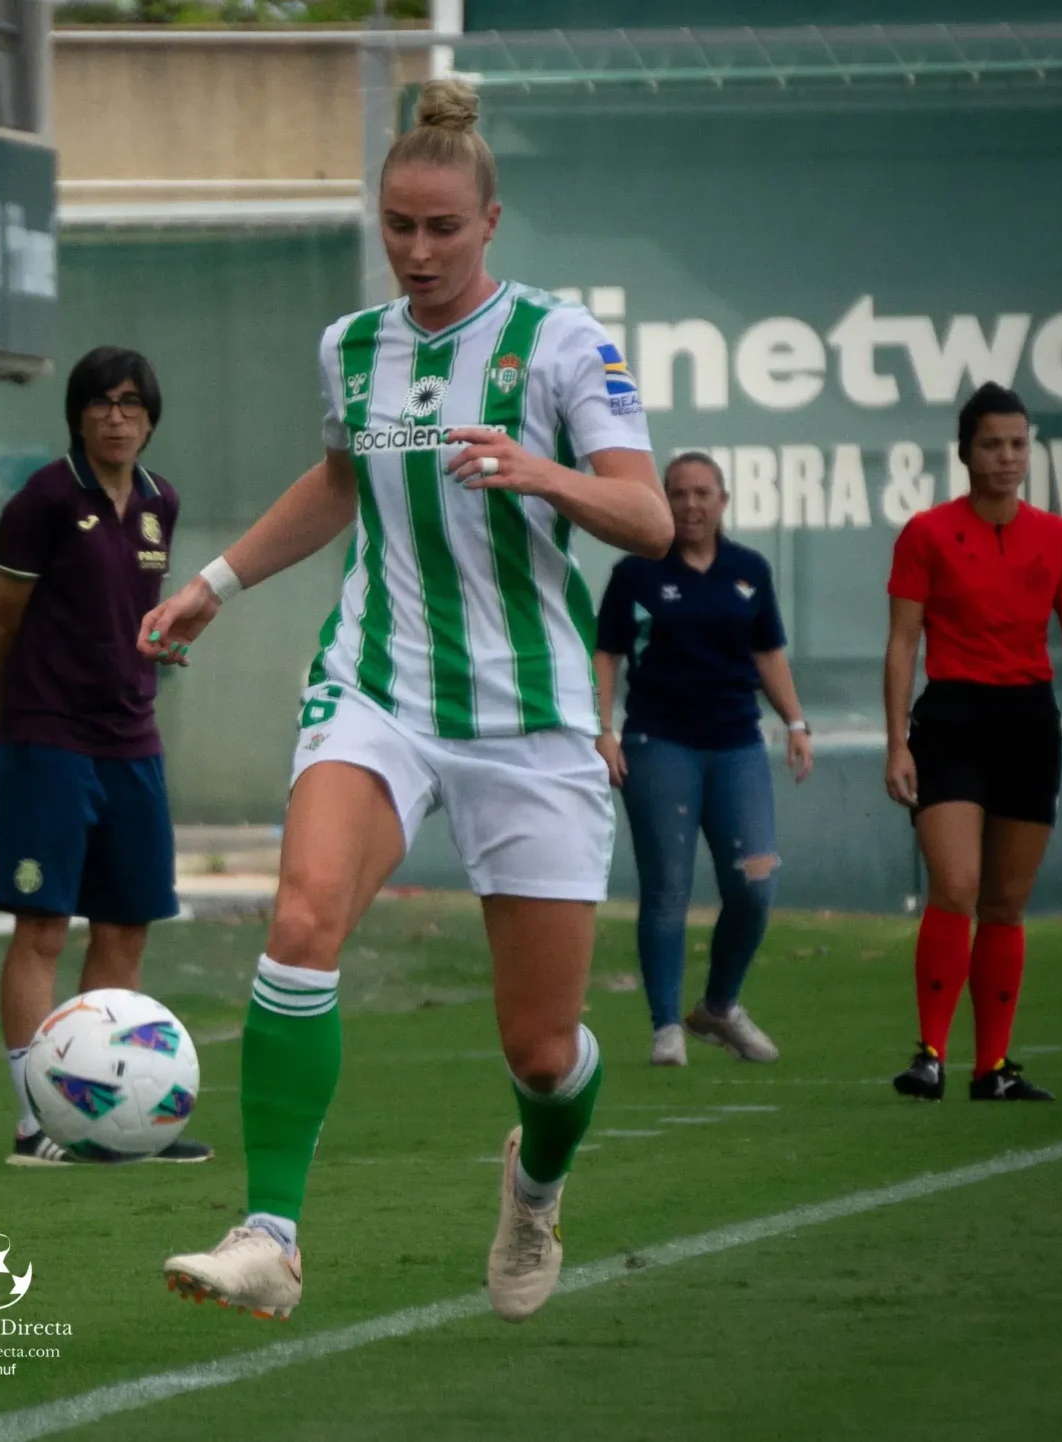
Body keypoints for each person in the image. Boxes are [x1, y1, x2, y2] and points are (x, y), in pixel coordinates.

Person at [141, 79, 671, 1323]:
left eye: (442, 227)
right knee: (302, 914)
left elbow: (646, 516)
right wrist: (215, 581)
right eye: (398, 227)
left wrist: (541, 470)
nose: (418, 252)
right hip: (375, 686)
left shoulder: (561, 341)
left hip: (531, 718)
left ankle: (535, 1186)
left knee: (541, 1054)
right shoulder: (352, 345)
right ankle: (269, 1230)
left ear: (491, 219)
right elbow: (339, 483)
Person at [0, 346, 208, 1167]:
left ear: (151, 417)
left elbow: (134, 611)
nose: (117, 417)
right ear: (78, 415)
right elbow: (1, 622)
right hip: (48, 738)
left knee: (125, 927)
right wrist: (7, 723)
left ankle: (103, 1118)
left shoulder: (162, 503)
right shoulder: (43, 499)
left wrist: (155, 645)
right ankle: (33, 1118)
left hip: (132, 740)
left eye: (131, 404)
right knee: (42, 925)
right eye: (101, 403)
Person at [883, 382, 1062, 1104]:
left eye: (1018, 443)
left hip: (1028, 722)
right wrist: (898, 742)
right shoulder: (926, 532)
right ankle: (930, 1053)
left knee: (1007, 903)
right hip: (952, 720)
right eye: (992, 443)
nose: (1007, 456)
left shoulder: (1058, 536)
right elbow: (902, 643)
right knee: (955, 884)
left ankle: (993, 1070)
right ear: (965, 451)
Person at [593, 452, 812, 1068]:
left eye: (702, 493)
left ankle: (719, 1007)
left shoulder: (748, 570)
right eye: (678, 494)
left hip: (737, 743)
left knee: (756, 884)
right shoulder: (637, 573)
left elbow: (767, 652)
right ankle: (666, 1027)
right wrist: (602, 729)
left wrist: (795, 722)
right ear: (663, 501)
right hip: (660, 743)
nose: (691, 505)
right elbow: (605, 654)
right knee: (668, 888)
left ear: (722, 500)